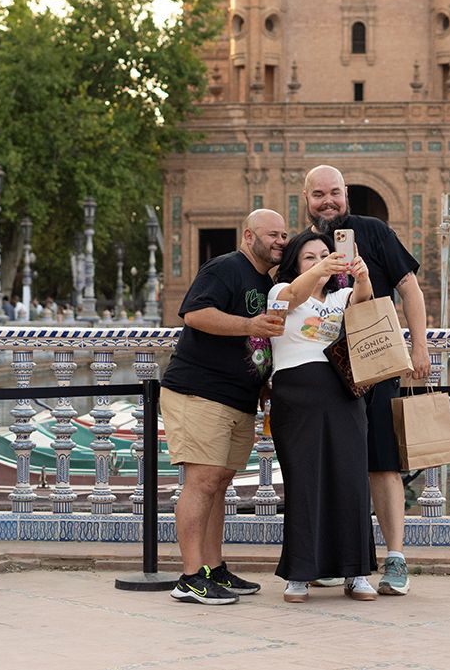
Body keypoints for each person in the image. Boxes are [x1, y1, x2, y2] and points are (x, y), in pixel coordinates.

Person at [302, 165, 430, 596]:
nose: (328, 201)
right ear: (306, 200)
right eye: (318, 194)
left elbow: (409, 288)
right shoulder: (306, 247)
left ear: (346, 196)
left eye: (335, 192)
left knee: (382, 461)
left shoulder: (372, 231)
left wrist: (420, 347)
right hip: (320, 371)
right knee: (333, 465)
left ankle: (395, 558)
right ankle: (340, 560)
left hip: (375, 362)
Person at [160, 209, 288, 605]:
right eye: (272, 234)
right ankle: (190, 577)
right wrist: (250, 326)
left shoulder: (263, 282)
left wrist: (264, 380)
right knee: (201, 482)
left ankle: (213, 568)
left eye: (284, 235)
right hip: (201, 392)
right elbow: (196, 314)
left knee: (218, 484)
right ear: (248, 236)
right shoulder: (226, 267)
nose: (280, 241)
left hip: (238, 397)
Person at [267, 229, 377, 603]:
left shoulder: (340, 295)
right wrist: (319, 271)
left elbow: (364, 307)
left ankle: (357, 572)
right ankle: (299, 574)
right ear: (295, 263)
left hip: (343, 394)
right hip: (295, 395)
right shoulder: (281, 292)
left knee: (350, 480)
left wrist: (361, 277)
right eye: (309, 257)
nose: (319, 262)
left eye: (325, 255)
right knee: (304, 481)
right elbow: (292, 297)